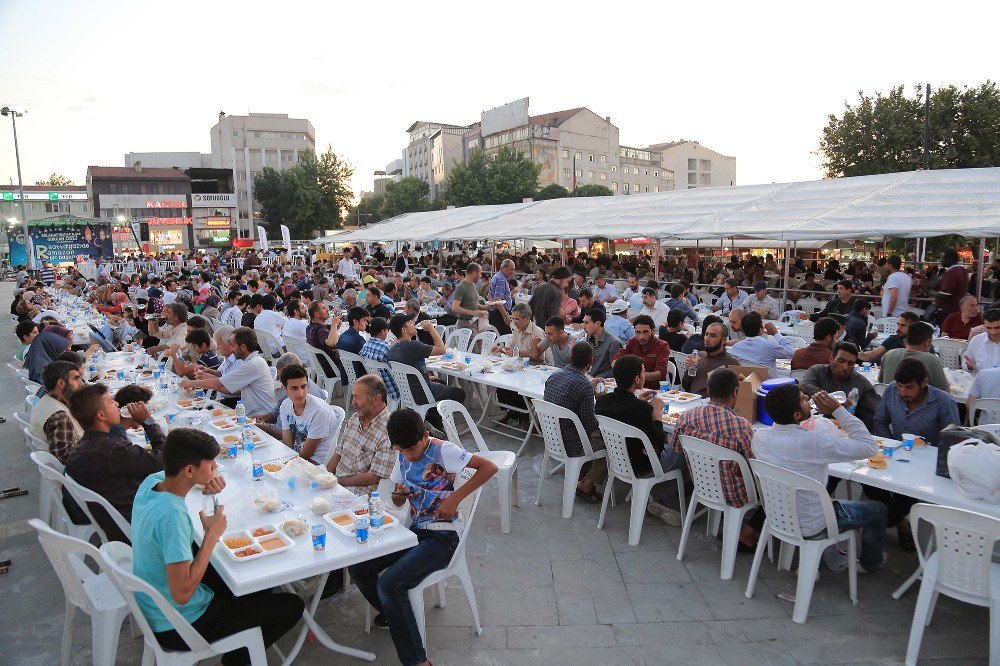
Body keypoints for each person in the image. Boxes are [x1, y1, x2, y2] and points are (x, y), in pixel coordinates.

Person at [132, 428, 303, 664]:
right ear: (189, 470)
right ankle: (236, 660)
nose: (215, 468)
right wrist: (211, 534)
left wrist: (203, 482)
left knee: (252, 577)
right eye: (210, 464)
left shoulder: (152, 483)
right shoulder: (172, 516)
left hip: (153, 604)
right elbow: (181, 594)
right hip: (180, 623)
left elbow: (181, 481)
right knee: (292, 605)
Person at [347, 409, 496, 666]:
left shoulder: (443, 450)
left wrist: (454, 498)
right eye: (402, 450)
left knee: (389, 585)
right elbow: (396, 496)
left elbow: (489, 467)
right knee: (358, 566)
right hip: (414, 531)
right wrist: (400, 494)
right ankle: (394, 613)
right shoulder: (402, 453)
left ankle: (418, 661)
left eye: (412, 450)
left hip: (443, 536)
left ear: (425, 436)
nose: (408, 456)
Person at [752, 383, 887, 573]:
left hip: (778, 516)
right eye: (802, 399)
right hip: (813, 525)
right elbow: (868, 446)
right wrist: (838, 410)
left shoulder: (759, 437)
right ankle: (869, 564)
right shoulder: (813, 441)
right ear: (797, 415)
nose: (807, 399)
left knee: (826, 498)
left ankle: (831, 556)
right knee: (879, 510)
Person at [672, 368, 762, 549]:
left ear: (708, 390)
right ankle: (749, 532)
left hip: (701, 484)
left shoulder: (686, 417)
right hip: (734, 494)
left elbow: (676, 448)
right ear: (735, 393)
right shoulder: (741, 427)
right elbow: (755, 466)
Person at [65, 383, 166, 543]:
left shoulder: (86, 443)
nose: (117, 404)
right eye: (111, 401)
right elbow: (163, 460)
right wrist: (148, 421)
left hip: (113, 520)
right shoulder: (113, 449)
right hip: (135, 524)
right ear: (101, 416)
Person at [596, 354, 683, 525]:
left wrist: (639, 403)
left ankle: (653, 494)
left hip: (616, 460)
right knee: (680, 447)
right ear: (637, 379)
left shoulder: (602, 402)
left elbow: (625, 408)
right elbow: (659, 443)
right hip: (642, 465)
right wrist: (656, 414)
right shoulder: (642, 409)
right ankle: (656, 496)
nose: (644, 376)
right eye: (643, 373)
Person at [542, 342, 607, 502]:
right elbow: (589, 425)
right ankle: (586, 482)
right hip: (573, 445)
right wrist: (600, 400)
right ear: (591, 361)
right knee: (613, 440)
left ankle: (583, 477)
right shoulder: (583, 385)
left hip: (552, 439)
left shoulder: (555, 375)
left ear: (570, 358)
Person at [386, 313, 464, 432]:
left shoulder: (392, 349)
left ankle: (433, 421)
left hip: (408, 392)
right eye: (411, 322)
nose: (414, 323)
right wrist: (431, 329)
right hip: (422, 393)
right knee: (460, 393)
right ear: (404, 329)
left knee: (441, 382)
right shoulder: (413, 346)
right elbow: (442, 349)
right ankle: (443, 423)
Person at [181, 327, 277, 417]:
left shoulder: (252, 364)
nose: (231, 349)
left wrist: (190, 382)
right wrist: (208, 374)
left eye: (232, 345)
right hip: (252, 412)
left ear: (243, 347)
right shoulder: (251, 361)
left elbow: (218, 384)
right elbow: (222, 378)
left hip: (261, 416)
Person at [327, 374, 395, 494]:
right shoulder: (355, 418)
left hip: (358, 492)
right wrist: (325, 476)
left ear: (376, 399)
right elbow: (339, 452)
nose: (353, 402)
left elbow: (374, 476)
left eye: (357, 397)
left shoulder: (389, 431)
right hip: (336, 483)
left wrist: (339, 482)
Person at [874, 358, 960, 446]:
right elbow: (880, 421)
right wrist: (892, 443)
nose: (903, 393)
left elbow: (952, 439)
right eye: (899, 386)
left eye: (909, 387)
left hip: (929, 455)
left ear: (924, 383)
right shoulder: (892, 389)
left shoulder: (944, 402)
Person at [800, 342, 882, 429]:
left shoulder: (862, 384)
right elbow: (805, 385)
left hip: (846, 431)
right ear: (831, 359)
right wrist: (833, 399)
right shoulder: (817, 371)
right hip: (813, 427)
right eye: (841, 361)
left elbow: (873, 417)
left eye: (850, 363)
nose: (845, 367)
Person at [277, 364, 341, 465]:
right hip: (297, 456)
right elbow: (287, 438)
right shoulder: (285, 405)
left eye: (303, 387)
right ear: (285, 389)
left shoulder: (319, 411)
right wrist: (288, 458)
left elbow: (306, 455)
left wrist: (289, 464)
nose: (301, 393)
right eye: (294, 388)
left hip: (316, 462)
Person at [30, 360, 84, 463]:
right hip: (75, 473)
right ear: (61, 383)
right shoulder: (59, 416)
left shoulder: (46, 400)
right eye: (76, 378)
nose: (81, 383)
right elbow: (63, 456)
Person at [879, 321, 949, 391]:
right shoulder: (931, 359)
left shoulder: (889, 354)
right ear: (928, 342)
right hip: (916, 401)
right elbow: (944, 391)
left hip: (890, 400)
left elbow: (881, 382)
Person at [682, 321, 741, 397]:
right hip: (692, 400)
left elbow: (734, 395)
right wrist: (689, 369)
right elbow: (685, 386)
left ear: (723, 340)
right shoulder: (699, 356)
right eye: (706, 334)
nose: (707, 339)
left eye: (713, 336)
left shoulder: (732, 363)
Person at [613, 314, 670, 390]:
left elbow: (660, 373)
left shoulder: (662, 345)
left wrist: (635, 375)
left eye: (645, 332)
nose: (641, 337)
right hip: (632, 389)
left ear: (653, 331)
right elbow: (615, 361)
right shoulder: (631, 342)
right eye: (638, 332)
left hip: (654, 390)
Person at [360, 316, 399, 402]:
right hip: (392, 387)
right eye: (387, 331)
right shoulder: (385, 348)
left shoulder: (365, 346)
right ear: (382, 332)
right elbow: (396, 366)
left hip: (376, 384)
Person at [305, 300, 346, 383]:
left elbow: (329, 331)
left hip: (321, 366)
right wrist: (334, 324)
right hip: (332, 367)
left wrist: (335, 325)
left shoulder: (310, 327)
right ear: (316, 314)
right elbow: (331, 343)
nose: (327, 310)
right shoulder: (319, 330)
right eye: (324, 308)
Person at [582, 308, 621, 379]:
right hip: (587, 376)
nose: (583, 326)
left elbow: (615, 369)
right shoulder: (588, 338)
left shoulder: (613, 342)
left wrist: (598, 377)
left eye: (586, 323)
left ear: (598, 323)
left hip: (603, 382)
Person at [451, 262, 490, 333]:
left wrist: (488, 307)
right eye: (480, 273)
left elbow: (474, 304)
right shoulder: (461, 287)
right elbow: (455, 307)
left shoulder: (473, 285)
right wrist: (473, 313)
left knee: (479, 344)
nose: (481, 275)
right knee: (471, 344)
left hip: (475, 322)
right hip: (466, 324)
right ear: (474, 273)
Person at [933, 247, 969, 317]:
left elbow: (945, 294)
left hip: (949, 312)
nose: (941, 260)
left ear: (949, 259)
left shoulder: (952, 272)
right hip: (957, 310)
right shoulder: (962, 269)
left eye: (943, 258)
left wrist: (931, 292)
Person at [487, 259, 515, 335]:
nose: (512, 271)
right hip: (499, 314)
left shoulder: (496, 276)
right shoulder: (501, 279)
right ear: (503, 268)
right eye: (511, 269)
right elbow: (497, 299)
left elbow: (489, 296)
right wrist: (505, 316)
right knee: (505, 338)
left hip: (495, 312)